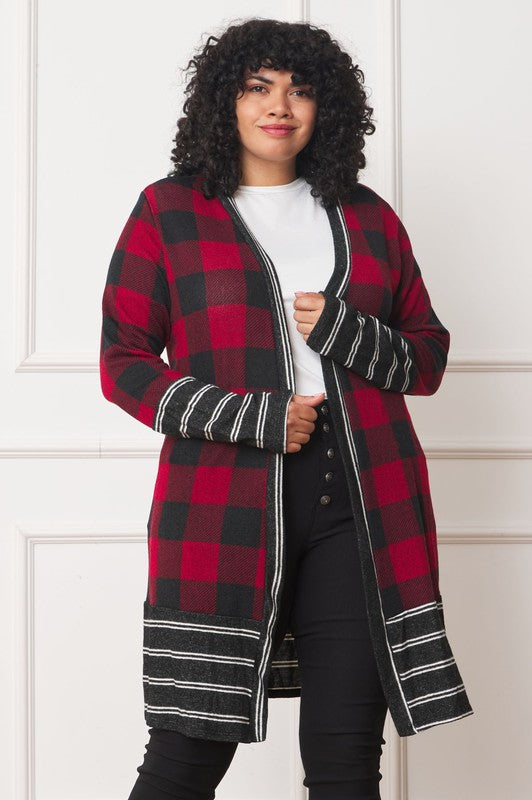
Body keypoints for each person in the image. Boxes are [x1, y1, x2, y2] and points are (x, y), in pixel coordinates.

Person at [99, 16, 474, 800]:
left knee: (345, 763)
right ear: (225, 102)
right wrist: (254, 417)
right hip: (221, 502)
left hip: (363, 503)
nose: (280, 106)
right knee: (185, 755)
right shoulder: (170, 211)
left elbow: (428, 357)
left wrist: (344, 331)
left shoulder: (367, 216)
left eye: (301, 90)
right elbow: (123, 363)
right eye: (258, 87)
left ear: (325, 108)